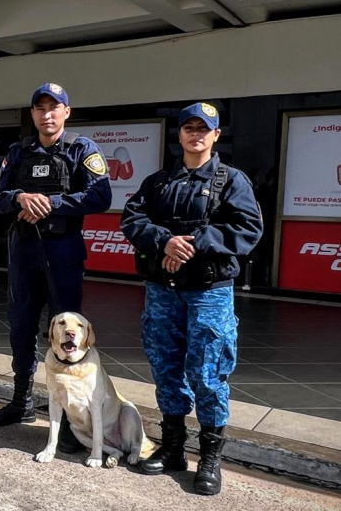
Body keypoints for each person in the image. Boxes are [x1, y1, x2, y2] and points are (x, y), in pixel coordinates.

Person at [121, 102, 263, 496]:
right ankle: (172, 448)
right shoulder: (158, 181)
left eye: (205, 128)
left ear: (216, 135)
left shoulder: (232, 181)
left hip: (208, 294)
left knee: (208, 374)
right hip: (163, 291)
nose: (196, 134)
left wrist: (193, 244)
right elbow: (132, 220)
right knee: (166, 367)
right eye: (189, 127)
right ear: (179, 134)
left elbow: (248, 229)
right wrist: (164, 240)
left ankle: (210, 458)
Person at [0, 83, 111, 444]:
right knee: (21, 329)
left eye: (54, 107)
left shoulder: (82, 150)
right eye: (39, 108)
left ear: (66, 112)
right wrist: (20, 196)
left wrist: (52, 203)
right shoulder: (18, 152)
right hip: (24, 254)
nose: (47, 114)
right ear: (33, 115)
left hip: (63, 253)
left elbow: (100, 195)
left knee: (70, 336)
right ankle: (21, 402)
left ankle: (74, 420)